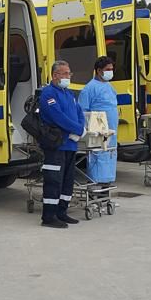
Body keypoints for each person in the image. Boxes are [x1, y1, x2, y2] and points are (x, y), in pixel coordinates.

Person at [38, 60, 86, 228]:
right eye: (65, 73)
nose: (68, 76)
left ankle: (61, 212)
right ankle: (49, 217)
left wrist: (81, 129)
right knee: (54, 180)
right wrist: (76, 129)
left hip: (70, 144)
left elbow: (79, 113)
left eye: (69, 73)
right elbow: (57, 117)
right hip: (56, 145)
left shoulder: (69, 93)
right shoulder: (48, 94)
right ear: (55, 75)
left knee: (67, 180)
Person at [77, 56, 118, 187]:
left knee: (109, 155)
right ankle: (96, 186)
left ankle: (106, 185)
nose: (110, 72)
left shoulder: (109, 86)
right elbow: (83, 111)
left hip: (110, 132)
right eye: (108, 69)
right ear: (99, 71)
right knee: (98, 158)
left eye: (112, 69)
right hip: (98, 134)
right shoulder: (89, 88)